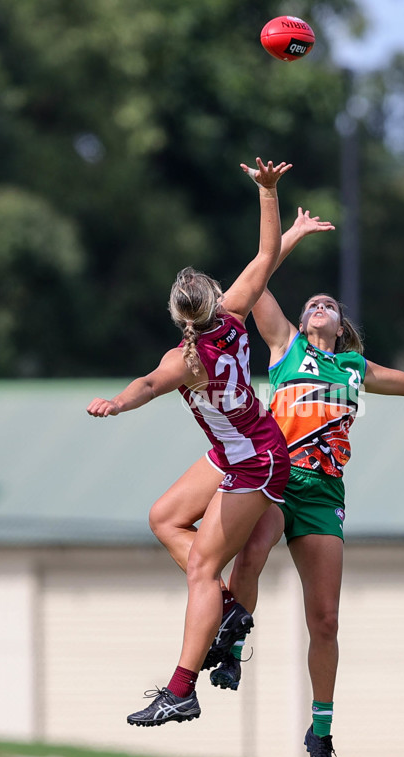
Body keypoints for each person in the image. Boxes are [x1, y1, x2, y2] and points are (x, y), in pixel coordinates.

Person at [208, 224, 404, 757]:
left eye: (327, 304)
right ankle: (233, 649)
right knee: (252, 557)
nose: (317, 307)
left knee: (326, 621)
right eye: (312, 303)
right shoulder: (285, 348)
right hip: (277, 482)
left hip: (324, 496)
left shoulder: (354, 368)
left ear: (341, 324)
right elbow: (256, 280)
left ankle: (321, 730)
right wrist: (289, 237)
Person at [86, 157, 292, 727]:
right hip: (240, 448)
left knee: (202, 569)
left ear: (180, 316)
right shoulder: (234, 311)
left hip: (254, 460)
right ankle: (229, 612)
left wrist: (116, 404)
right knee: (163, 517)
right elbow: (266, 257)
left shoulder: (183, 359)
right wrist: (268, 192)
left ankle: (182, 687)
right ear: (215, 300)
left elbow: (147, 385)